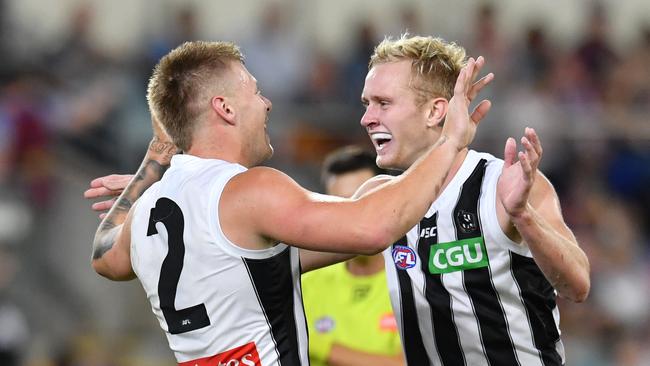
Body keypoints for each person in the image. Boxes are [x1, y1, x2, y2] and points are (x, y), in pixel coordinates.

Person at [86, 40, 493, 365]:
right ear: (224, 108)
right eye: (255, 91)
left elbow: (104, 255)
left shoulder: (150, 210)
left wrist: (155, 161)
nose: (266, 103)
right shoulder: (250, 192)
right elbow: (373, 227)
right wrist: (451, 141)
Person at [353, 35, 590, 366]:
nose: (367, 118)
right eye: (367, 104)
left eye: (383, 103)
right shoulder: (377, 197)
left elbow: (577, 285)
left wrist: (523, 216)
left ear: (436, 111)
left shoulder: (503, 184)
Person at [302, 146, 403, 366]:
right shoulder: (305, 281)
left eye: (361, 203)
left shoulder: (414, 278)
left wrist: (320, 347)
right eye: (339, 204)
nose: (351, 216)